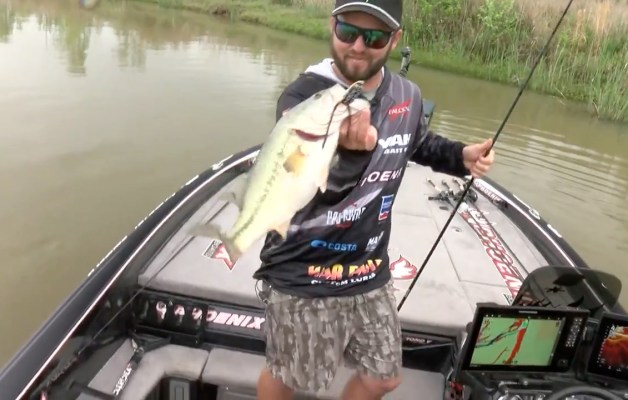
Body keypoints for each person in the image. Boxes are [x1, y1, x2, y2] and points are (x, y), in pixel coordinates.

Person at [252, 0, 496, 399]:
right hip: (303, 268)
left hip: (369, 266)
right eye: (348, 32)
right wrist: (351, 155)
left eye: (374, 37)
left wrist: (460, 157)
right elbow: (303, 187)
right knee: (290, 375)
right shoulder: (303, 98)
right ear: (332, 26)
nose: (358, 46)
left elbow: (416, 141)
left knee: (383, 377)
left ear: (394, 40)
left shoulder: (407, 94)